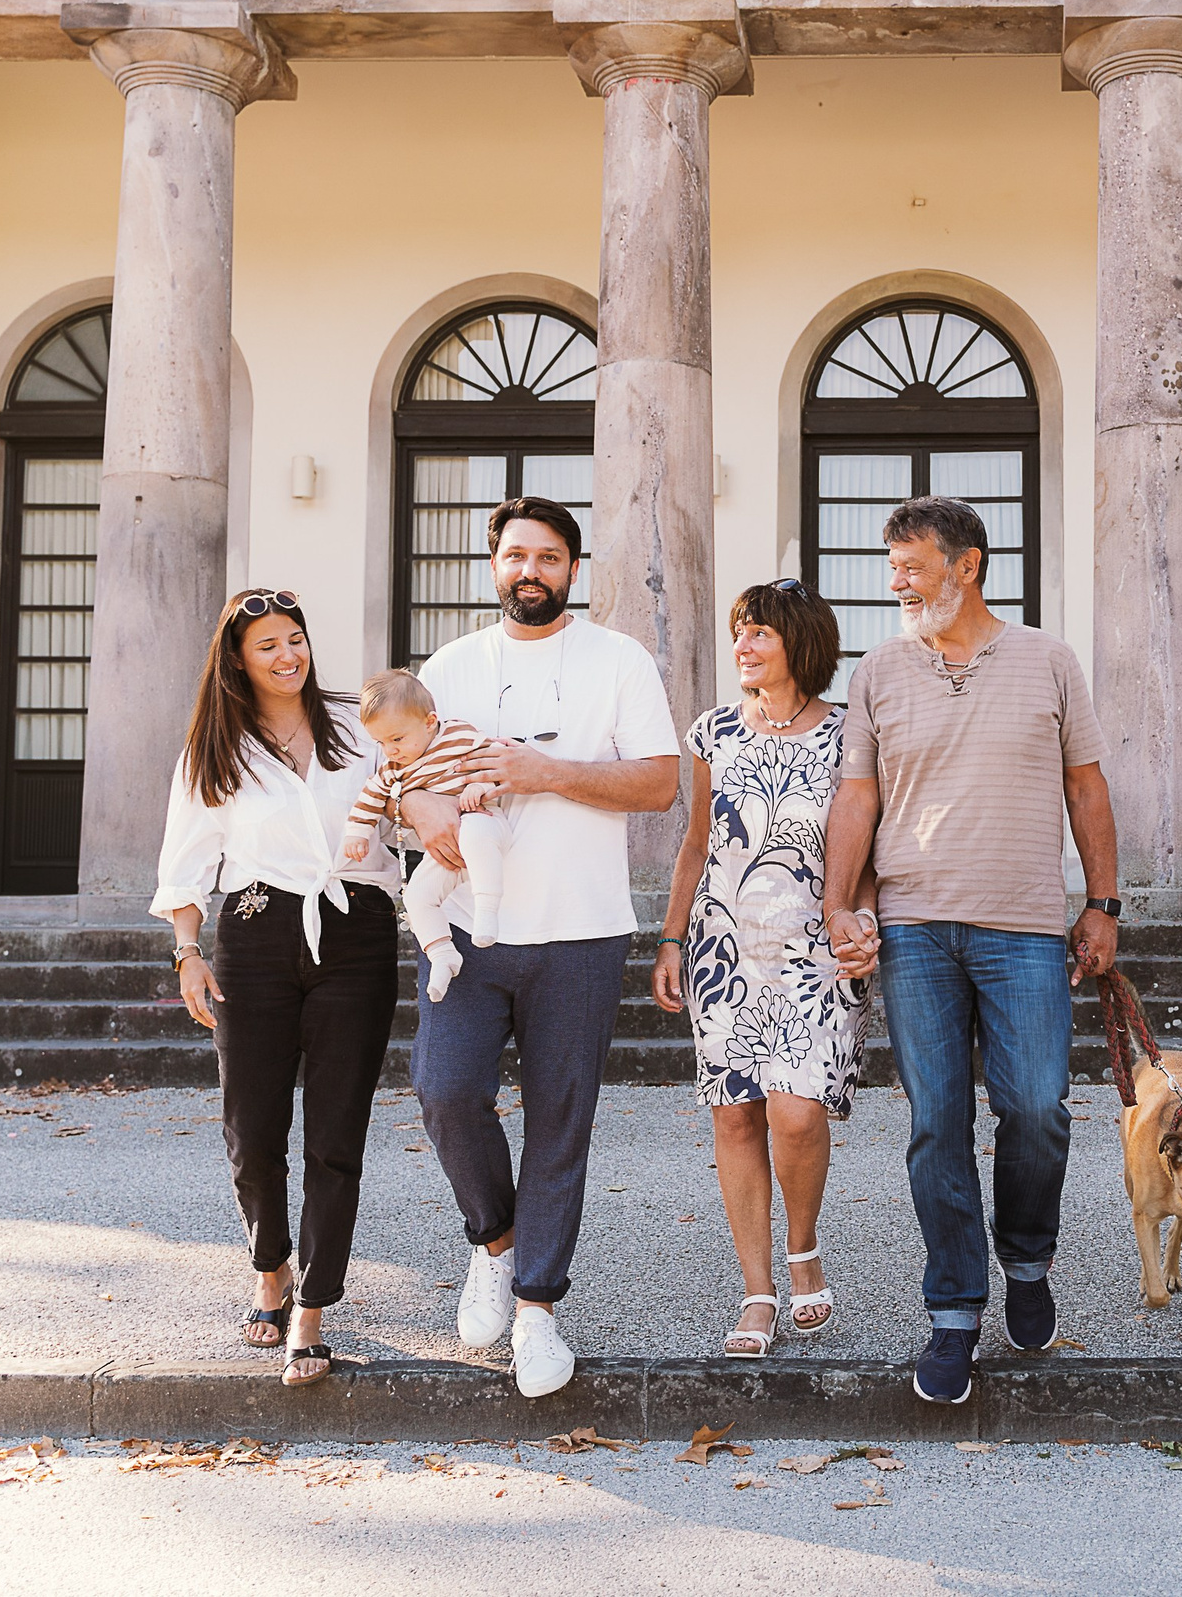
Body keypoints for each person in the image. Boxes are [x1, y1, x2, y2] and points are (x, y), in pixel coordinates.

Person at [820, 495, 1120, 1407]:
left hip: (1025, 926)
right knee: (935, 1124)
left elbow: (1088, 788)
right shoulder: (876, 670)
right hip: (913, 929)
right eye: (894, 570)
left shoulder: (1049, 661)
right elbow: (858, 797)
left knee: (1037, 1108)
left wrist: (1104, 903)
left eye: (913, 566)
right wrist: (840, 902)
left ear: (969, 564)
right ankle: (954, 1308)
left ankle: (1026, 1260)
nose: (899, 583)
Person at [401, 496, 681, 1398]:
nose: (533, 570)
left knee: (562, 1123)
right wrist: (423, 806)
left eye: (550, 557)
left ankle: (537, 1311)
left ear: (572, 567)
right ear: (493, 564)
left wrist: (544, 771)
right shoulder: (449, 667)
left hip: (583, 929)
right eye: (518, 554)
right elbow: (395, 772)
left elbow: (658, 784)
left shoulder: (618, 659)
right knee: (446, 1091)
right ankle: (496, 1244)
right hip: (469, 930)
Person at [153, 588, 403, 1389]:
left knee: (336, 1131)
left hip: (356, 928)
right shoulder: (213, 749)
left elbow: (414, 792)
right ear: (238, 658)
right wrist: (188, 951)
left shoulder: (356, 723)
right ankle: (271, 1263)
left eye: (294, 638)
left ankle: (313, 1308)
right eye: (268, 645)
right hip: (256, 933)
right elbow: (186, 863)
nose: (287, 655)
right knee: (251, 1127)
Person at [652, 578, 875, 1358]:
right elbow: (696, 843)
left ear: (800, 643)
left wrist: (864, 917)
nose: (742, 645)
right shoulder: (714, 730)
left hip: (817, 952)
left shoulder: (851, 732)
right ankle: (757, 1288)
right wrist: (673, 936)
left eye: (759, 634)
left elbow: (867, 845)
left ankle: (803, 1243)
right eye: (739, 631)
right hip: (724, 946)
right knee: (736, 1112)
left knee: (797, 1111)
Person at [340, 669, 508, 1002]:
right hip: (445, 850)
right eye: (382, 742)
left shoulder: (458, 736)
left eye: (397, 739)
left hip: (483, 821)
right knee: (417, 896)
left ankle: (487, 910)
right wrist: (357, 832)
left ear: (430, 721)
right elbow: (369, 798)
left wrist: (481, 786)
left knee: (475, 831)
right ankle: (442, 954)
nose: (390, 750)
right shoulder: (394, 769)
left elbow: (496, 758)